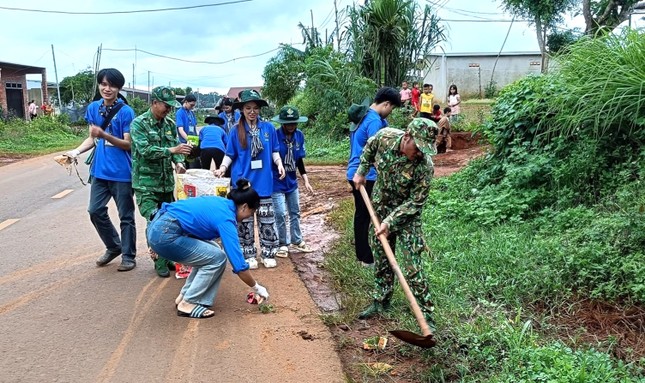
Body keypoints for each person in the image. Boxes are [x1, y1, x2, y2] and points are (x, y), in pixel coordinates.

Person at [352, 118, 438, 330]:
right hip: (381, 207)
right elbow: (369, 148)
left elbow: (416, 202)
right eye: (417, 148)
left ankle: (426, 316)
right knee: (381, 257)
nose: (419, 153)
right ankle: (381, 302)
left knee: (412, 267)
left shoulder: (425, 165)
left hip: (407, 216)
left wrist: (390, 222)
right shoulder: (385, 137)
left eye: (424, 150)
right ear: (407, 137)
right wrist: (361, 171)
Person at [147, 178, 270, 318]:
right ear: (244, 207)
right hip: (165, 234)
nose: (249, 216)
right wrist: (257, 287)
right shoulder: (226, 219)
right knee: (217, 258)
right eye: (251, 212)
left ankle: (184, 296)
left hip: (159, 227)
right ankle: (189, 302)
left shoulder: (222, 203)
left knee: (213, 250)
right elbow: (239, 265)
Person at [64, 68, 137, 271]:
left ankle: (129, 256)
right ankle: (114, 246)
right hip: (99, 171)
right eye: (103, 84)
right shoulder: (93, 108)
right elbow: (92, 137)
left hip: (122, 172)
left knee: (126, 216)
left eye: (111, 85)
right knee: (94, 210)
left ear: (118, 88)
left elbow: (127, 144)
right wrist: (75, 152)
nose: (107, 88)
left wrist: (104, 135)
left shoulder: (126, 112)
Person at [214, 89, 285, 269]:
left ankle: (268, 253)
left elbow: (275, 150)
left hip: (264, 182)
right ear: (242, 110)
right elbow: (230, 153)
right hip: (243, 184)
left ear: (259, 110)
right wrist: (222, 168)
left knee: (267, 218)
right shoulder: (235, 130)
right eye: (248, 108)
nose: (252, 111)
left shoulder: (268, 128)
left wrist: (279, 164)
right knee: (244, 221)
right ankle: (248, 253)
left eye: (255, 108)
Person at [130, 86, 192, 277]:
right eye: (166, 105)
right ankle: (159, 260)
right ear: (154, 103)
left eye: (171, 107)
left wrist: (179, 164)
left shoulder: (169, 124)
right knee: (154, 220)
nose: (168, 110)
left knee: (169, 222)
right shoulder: (138, 124)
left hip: (166, 184)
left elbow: (175, 150)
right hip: (146, 184)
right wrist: (173, 151)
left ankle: (169, 256)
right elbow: (145, 150)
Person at [346, 87, 402, 266]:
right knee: (367, 216)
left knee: (363, 215)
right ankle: (366, 258)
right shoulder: (374, 121)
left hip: (355, 172)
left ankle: (363, 255)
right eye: (391, 108)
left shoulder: (365, 116)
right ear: (386, 104)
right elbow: (376, 150)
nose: (390, 112)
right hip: (365, 176)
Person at [270, 105, 315, 258]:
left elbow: (299, 161)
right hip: (277, 181)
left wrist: (306, 180)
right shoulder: (275, 136)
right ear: (282, 123)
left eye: (294, 123)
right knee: (280, 213)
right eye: (288, 123)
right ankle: (283, 243)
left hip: (291, 182)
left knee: (295, 212)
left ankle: (297, 240)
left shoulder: (299, 136)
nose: (291, 126)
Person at [175, 94, 200, 169]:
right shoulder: (180, 113)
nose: (192, 107)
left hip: (193, 142)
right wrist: (189, 140)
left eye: (194, 105)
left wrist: (197, 139)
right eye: (191, 105)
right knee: (186, 165)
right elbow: (180, 130)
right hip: (185, 142)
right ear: (186, 102)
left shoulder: (191, 113)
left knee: (195, 165)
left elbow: (194, 128)